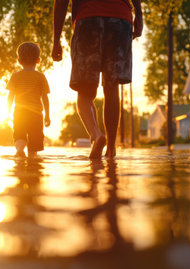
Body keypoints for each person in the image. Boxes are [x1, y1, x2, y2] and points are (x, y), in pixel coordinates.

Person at [52, 0, 143, 158]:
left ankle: (96, 135)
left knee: (85, 91)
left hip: (88, 18)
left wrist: (56, 41)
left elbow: (61, 3)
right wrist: (139, 16)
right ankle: (111, 148)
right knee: (111, 86)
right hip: (120, 19)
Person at [7, 42, 51, 158]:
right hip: (36, 114)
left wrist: (8, 111)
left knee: (19, 135)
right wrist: (47, 115)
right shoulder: (41, 77)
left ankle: (20, 150)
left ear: (19, 61)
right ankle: (32, 161)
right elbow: (45, 98)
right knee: (34, 145)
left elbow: (10, 96)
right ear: (38, 60)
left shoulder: (15, 76)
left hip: (19, 113)